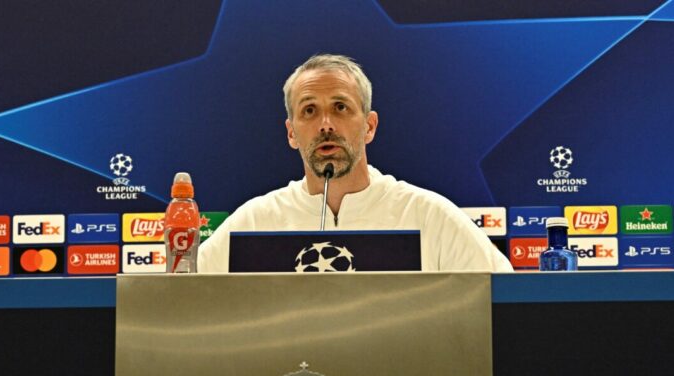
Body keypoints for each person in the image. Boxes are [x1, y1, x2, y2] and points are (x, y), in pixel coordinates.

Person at [198, 54, 513, 273]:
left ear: (369, 126)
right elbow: (186, 300)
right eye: (309, 110)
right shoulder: (254, 222)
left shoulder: (428, 216)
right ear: (291, 133)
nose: (326, 125)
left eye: (340, 107)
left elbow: (501, 303)